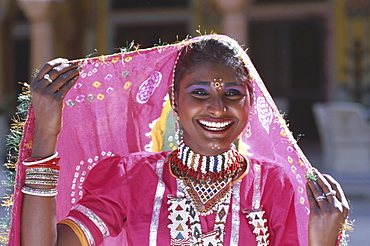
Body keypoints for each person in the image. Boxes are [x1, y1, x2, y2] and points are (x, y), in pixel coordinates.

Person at [14, 35, 348, 246]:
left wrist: (322, 239)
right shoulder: (131, 178)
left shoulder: (273, 184)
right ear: (174, 100)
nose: (217, 108)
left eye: (233, 94)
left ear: (251, 103)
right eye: (199, 93)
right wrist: (45, 132)